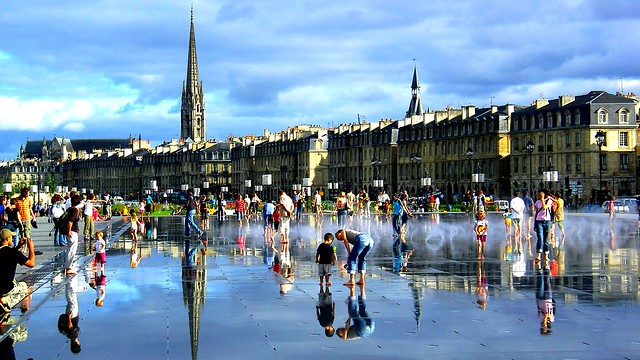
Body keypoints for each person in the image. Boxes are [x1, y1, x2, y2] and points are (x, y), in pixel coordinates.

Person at [0, 228, 36, 314]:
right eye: (11, 237)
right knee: (27, 288)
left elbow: (9, 255)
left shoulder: (11, 252)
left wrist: (18, 247)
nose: (12, 239)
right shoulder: (12, 252)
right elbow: (31, 263)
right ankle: (7, 302)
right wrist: (31, 248)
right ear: (7, 239)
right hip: (6, 287)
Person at [58, 279, 81, 353]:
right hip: (72, 315)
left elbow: (70, 326)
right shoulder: (69, 336)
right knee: (71, 299)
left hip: (72, 315)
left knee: (72, 298)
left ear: (78, 344)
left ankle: (68, 281)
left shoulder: (74, 336)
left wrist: (69, 317)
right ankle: (68, 282)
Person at [534, 190, 556, 265]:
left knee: (546, 239)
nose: (539, 196)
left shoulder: (549, 201)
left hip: (547, 222)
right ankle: (538, 255)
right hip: (539, 221)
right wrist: (535, 224)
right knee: (540, 238)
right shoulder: (537, 202)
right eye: (539, 195)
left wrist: (543, 199)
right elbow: (536, 213)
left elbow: (544, 207)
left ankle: (546, 255)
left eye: (540, 195)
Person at [62, 195, 82, 276]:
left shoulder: (70, 208)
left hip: (71, 231)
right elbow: (70, 221)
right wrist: (69, 231)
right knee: (72, 249)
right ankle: (68, 268)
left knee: (71, 249)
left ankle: (69, 266)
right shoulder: (74, 210)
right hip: (72, 231)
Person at [536, 267, 555, 335]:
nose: (543, 327)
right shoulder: (552, 319)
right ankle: (546, 267)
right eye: (544, 328)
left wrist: (544, 321)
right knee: (547, 282)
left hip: (540, 298)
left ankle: (539, 269)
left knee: (540, 282)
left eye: (542, 328)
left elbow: (545, 314)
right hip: (548, 298)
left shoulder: (539, 317)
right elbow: (550, 311)